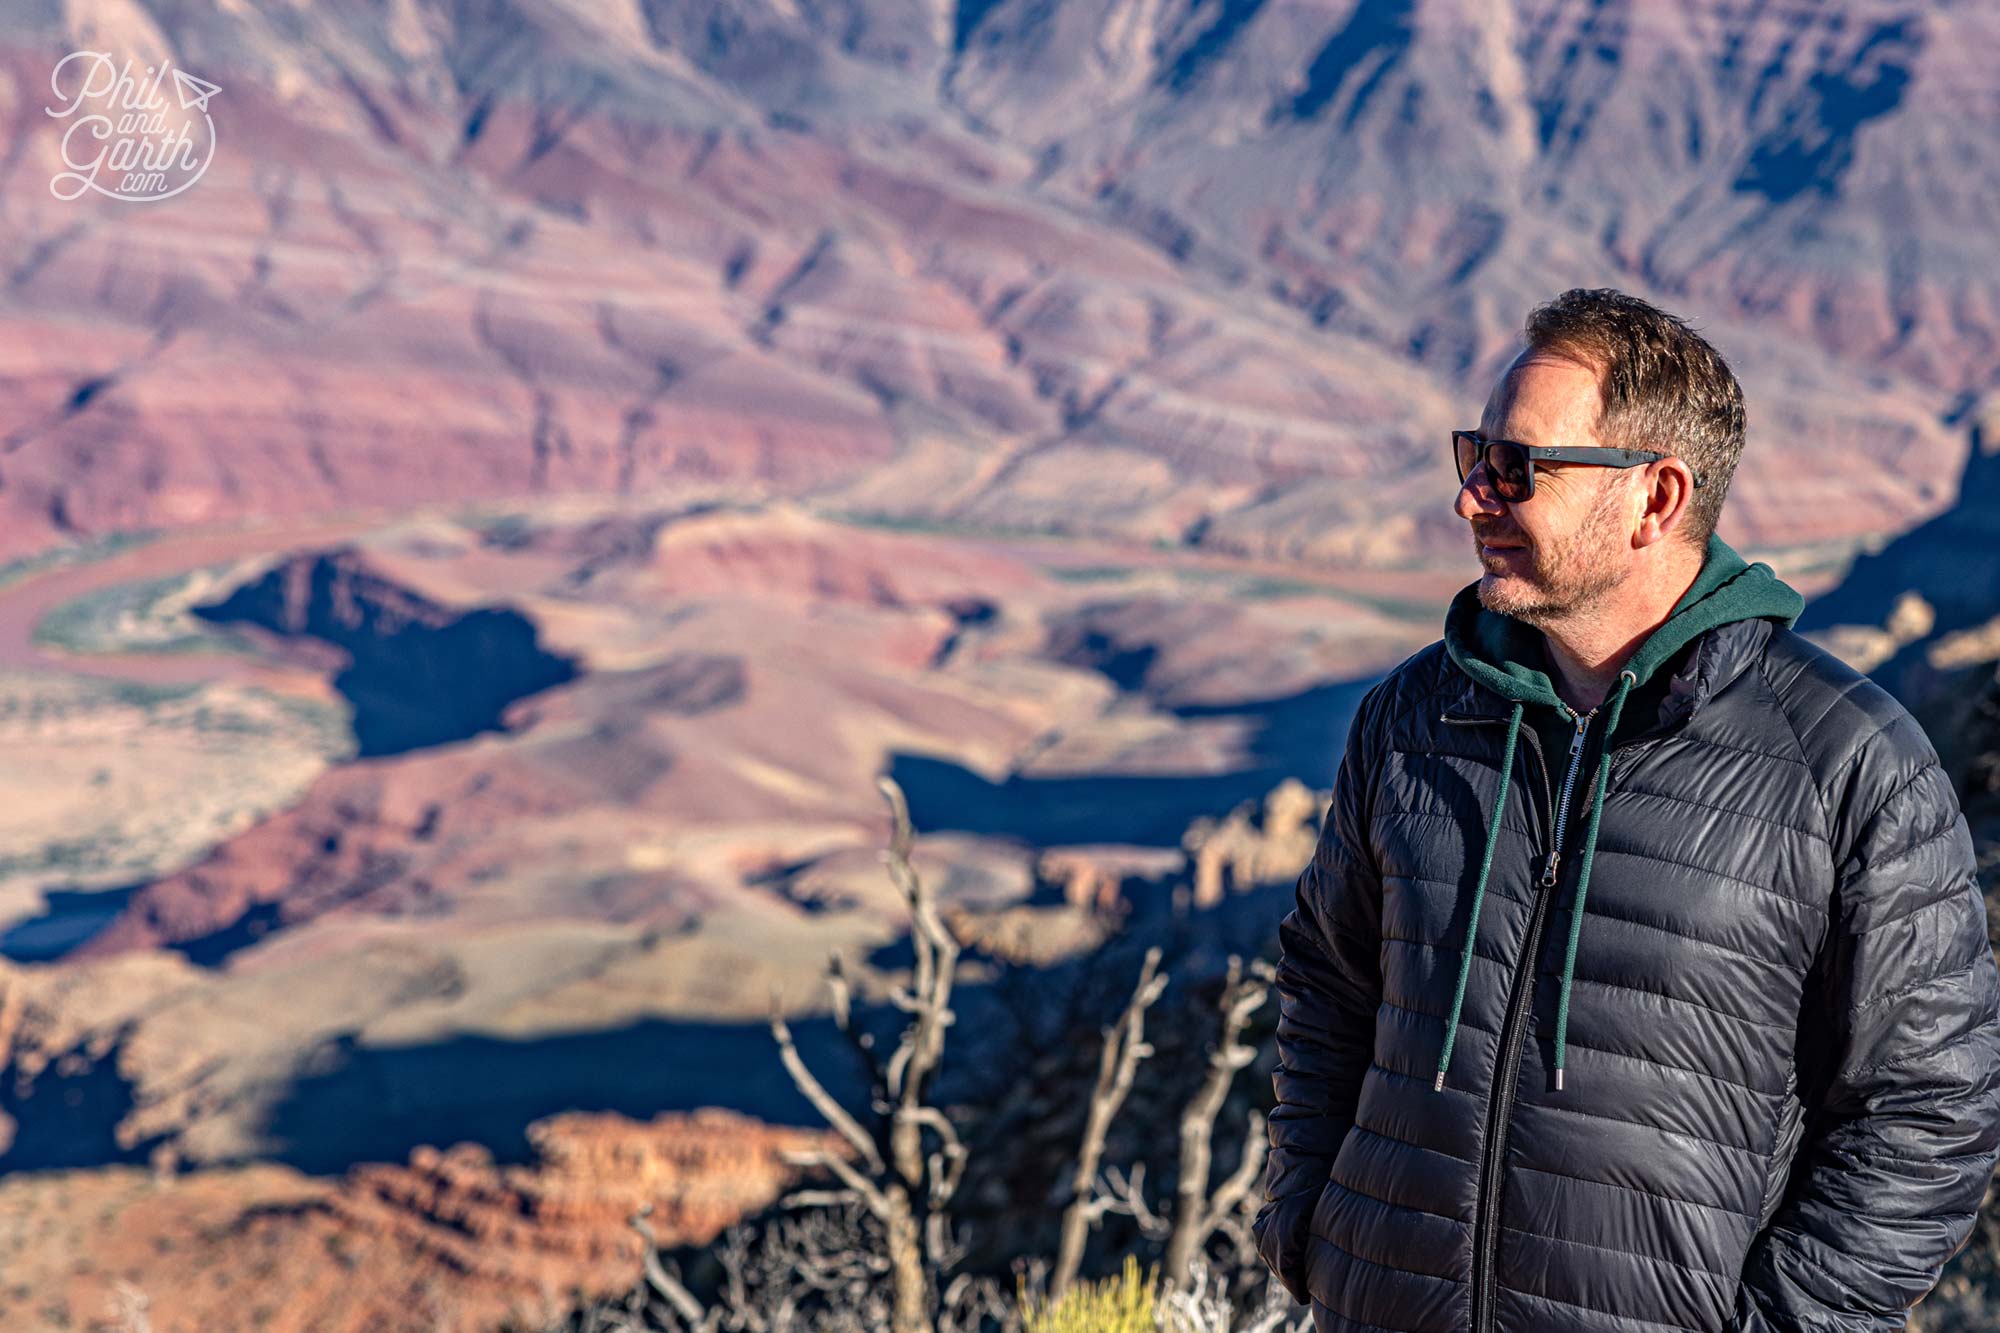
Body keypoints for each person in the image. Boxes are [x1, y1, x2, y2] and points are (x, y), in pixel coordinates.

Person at [1250, 287, 2000, 1332]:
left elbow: (1931, 1111)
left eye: (1514, 468)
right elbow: (1327, 980)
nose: (1472, 496)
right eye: (1472, 454)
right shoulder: (1415, 718)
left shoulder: (1844, 763)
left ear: (1654, 498)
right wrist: (1311, 1231)